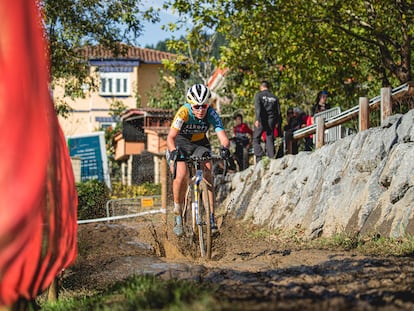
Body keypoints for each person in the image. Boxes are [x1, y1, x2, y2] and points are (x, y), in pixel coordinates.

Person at [166, 84, 231, 236]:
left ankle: (211, 218)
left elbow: (224, 138)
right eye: (197, 107)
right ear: (190, 104)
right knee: (181, 175)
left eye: (204, 106)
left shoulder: (211, 113)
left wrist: (225, 148)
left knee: (208, 174)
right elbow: (170, 138)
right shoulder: (183, 112)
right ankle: (178, 216)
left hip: (200, 144)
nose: (201, 110)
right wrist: (173, 152)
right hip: (180, 143)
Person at [252, 80, 281, 162]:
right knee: (269, 138)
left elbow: (258, 108)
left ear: (261, 87)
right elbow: (278, 112)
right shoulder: (274, 97)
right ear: (268, 87)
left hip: (262, 119)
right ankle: (272, 158)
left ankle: (261, 154)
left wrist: (257, 119)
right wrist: (277, 123)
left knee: (255, 139)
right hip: (271, 120)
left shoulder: (259, 95)